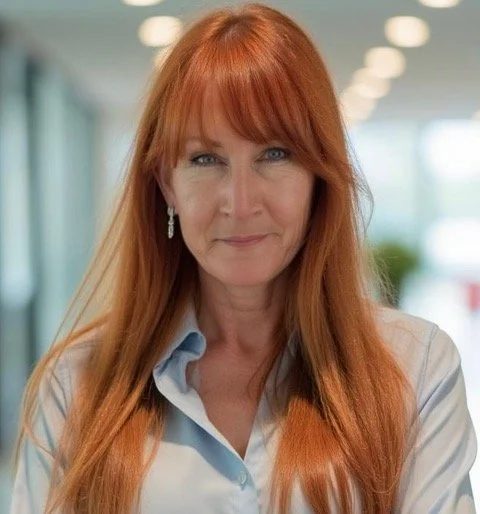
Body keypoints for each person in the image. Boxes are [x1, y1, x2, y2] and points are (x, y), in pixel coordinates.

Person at [10, 3, 477, 513]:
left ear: (319, 175)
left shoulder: (413, 369)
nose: (240, 202)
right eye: (205, 159)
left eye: (274, 154)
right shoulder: (78, 386)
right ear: (166, 184)